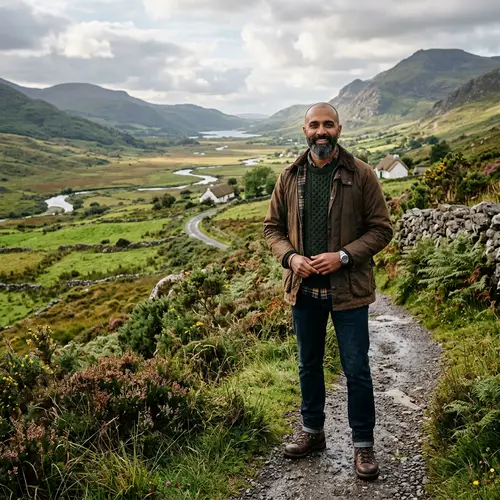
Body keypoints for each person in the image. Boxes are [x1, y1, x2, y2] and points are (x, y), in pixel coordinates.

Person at [263, 102, 392, 480]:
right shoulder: (288, 176)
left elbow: (382, 229)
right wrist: (290, 258)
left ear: (339, 129)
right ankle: (313, 433)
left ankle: (364, 446)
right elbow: (271, 229)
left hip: (348, 292)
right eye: (314, 125)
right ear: (304, 130)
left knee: (357, 370)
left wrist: (343, 256)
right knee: (308, 365)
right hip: (304, 293)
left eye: (328, 125)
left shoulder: (362, 174)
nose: (322, 131)